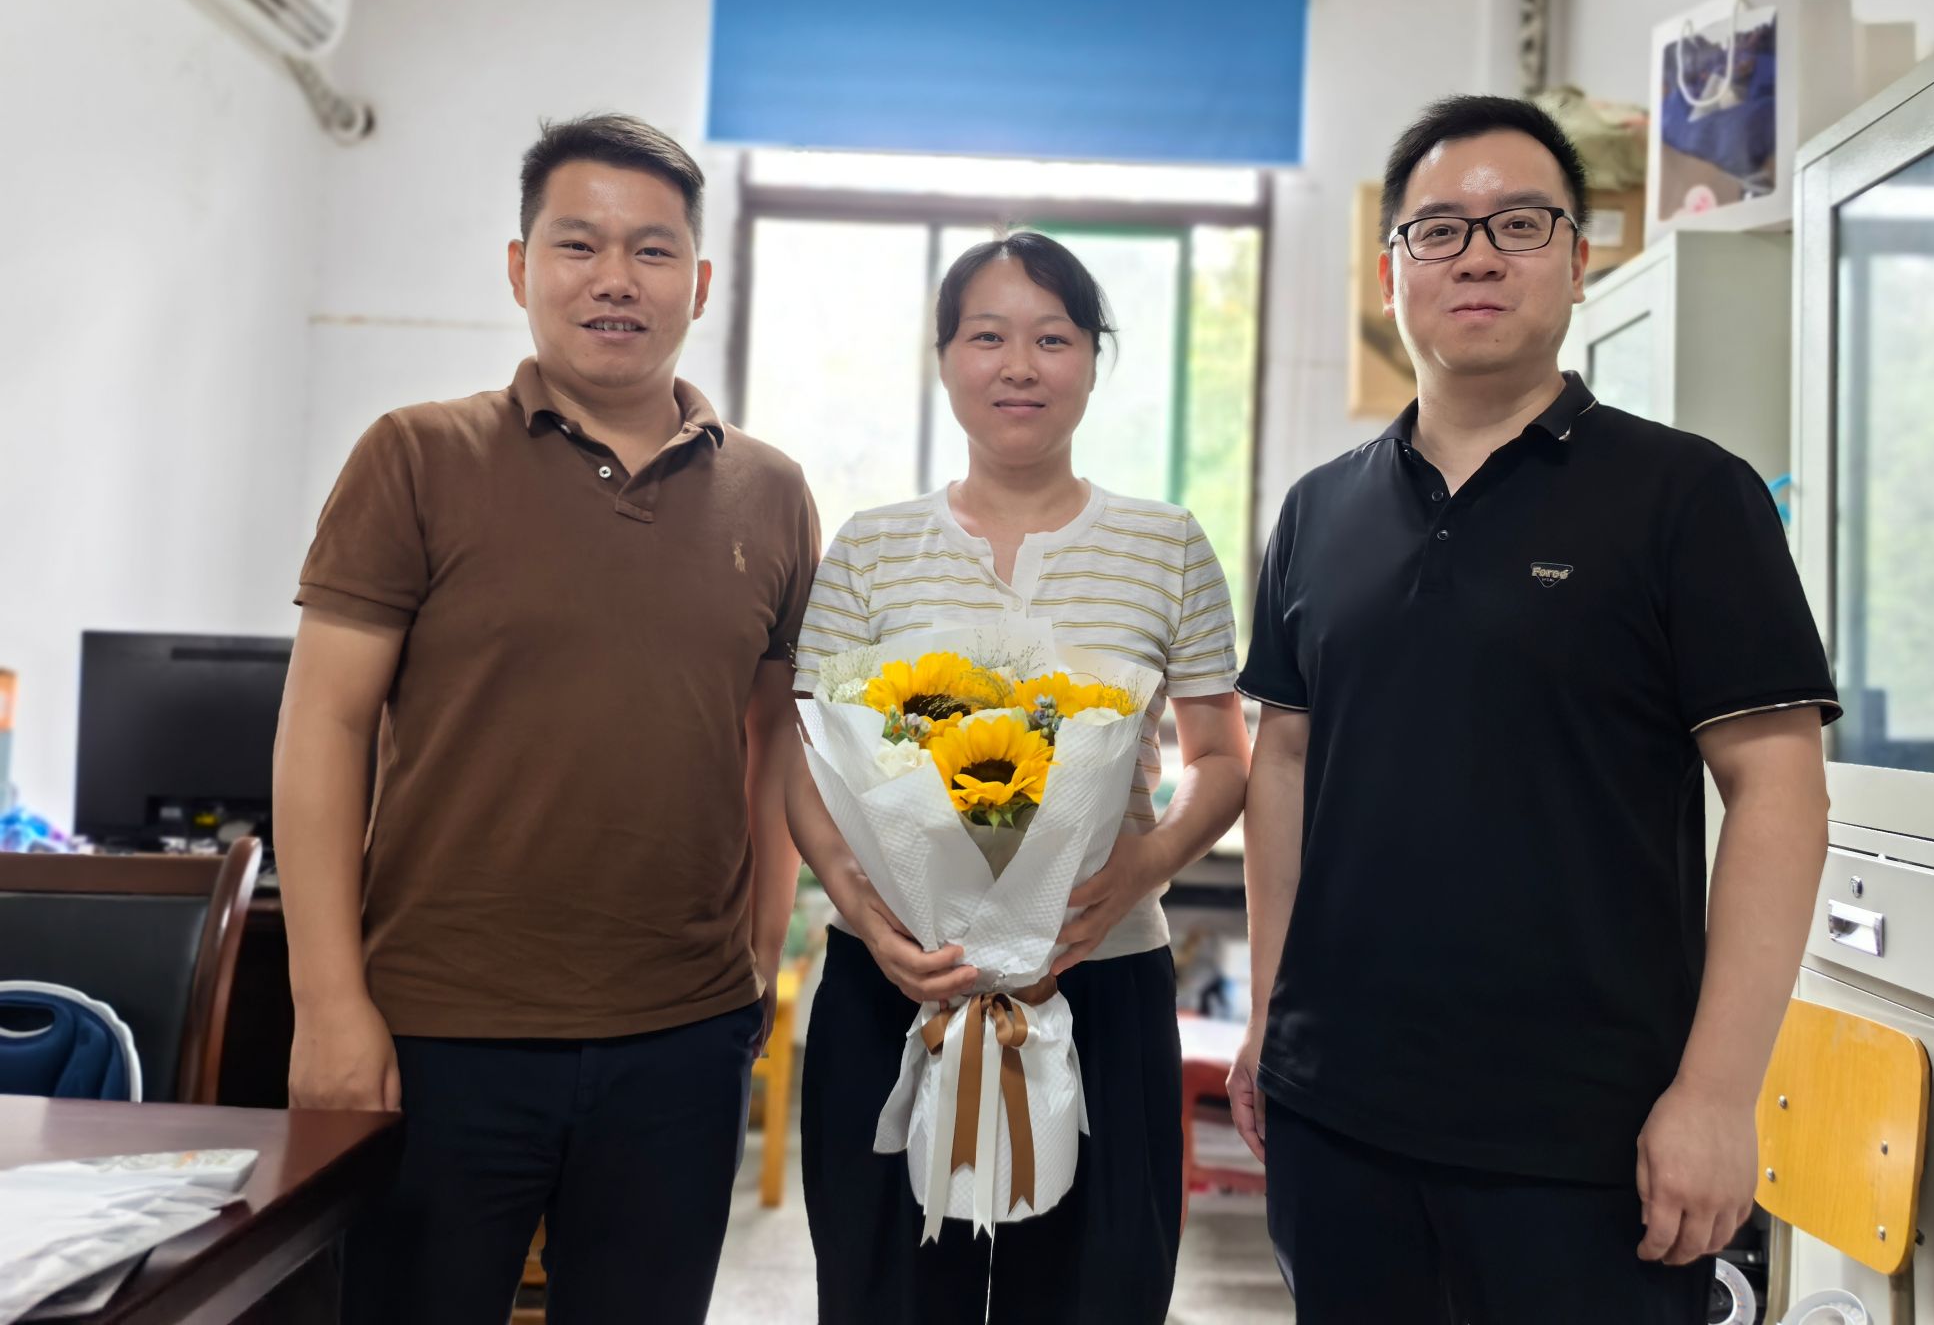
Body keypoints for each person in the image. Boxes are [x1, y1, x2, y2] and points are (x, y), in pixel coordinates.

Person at [1228, 95, 1837, 1323]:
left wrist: (1717, 1094)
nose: (1477, 256)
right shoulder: (1316, 511)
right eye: (1437, 230)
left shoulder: (1687, 496)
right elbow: (1282, 763)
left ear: (1575, 259)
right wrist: (1266, 1022)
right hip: (1335, 1118)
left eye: (1518, 223)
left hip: (1589, 1136)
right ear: (1391, 271)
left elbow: (1776, 791)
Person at [273, 113, 818, 1325]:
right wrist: (328, 1002)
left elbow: (774, 736)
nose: (615, 278)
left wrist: (757, 959)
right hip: (436, 1031)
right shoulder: (415, 457)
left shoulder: (771, 493)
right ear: (521, 268)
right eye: (578, 245)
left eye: (652, 250)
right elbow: (323, 728)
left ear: (699, 283)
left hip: (680, 1037)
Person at [786, 231, 1252, 1324]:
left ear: (1092, 358)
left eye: (1053, 338)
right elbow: (805, 758)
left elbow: (1222, 758)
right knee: (887, 1296)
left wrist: (1139, 867)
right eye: (986, 336)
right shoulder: (869, 549)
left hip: (1099, 971)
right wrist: (864, 909)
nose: (1019, 366)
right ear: (944, 357)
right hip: (896, 979)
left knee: (1094, 1294)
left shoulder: (1166, 545)